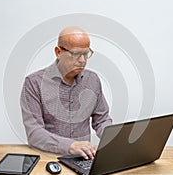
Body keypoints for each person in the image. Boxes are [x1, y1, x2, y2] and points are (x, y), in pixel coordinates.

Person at [20, 26, 112, 159]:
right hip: (48, 159)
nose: (82, 60)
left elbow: (101, 120)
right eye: (75, 54)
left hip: (83, 159)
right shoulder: (34, 83)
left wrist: (114, 139)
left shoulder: (92, 80)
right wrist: (70, 146)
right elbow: (35, 133)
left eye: (86, 54)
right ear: (58, 52)